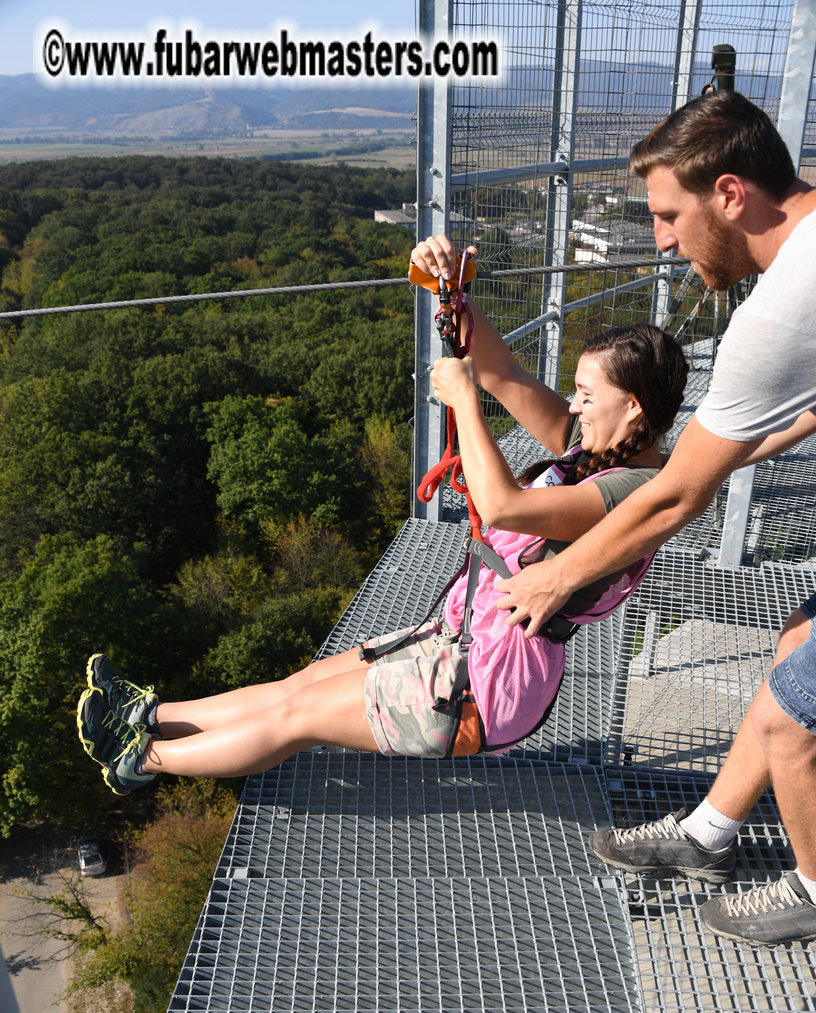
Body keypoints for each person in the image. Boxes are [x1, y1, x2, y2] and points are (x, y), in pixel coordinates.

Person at [76, 281, 687, 799]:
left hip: (487, 683)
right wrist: (455, 295)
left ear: (633, 408)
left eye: (586, 395)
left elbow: (505, 505)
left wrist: (464, 404)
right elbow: (505, 372)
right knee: (303, 685)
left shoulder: (629, 492)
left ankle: (141, 758)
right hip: (461, 639)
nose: (574, 408)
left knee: (298, 717)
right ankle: (150, 714)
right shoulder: (594, 454)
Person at [473, 90, 816, 946]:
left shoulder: (781, 309)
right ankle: (706, 836)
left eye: (669, 213)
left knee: (790, 711)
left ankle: (814, 888)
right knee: (792, 652)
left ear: (731, 194)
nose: (660, 239)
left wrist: (553, 576)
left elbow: (672, 496)